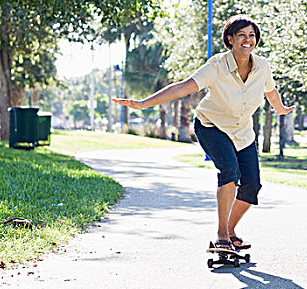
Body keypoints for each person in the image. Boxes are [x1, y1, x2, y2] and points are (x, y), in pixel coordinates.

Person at [113, 15, 295, 250]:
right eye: (241, 35)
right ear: (230, 39)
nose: (247, 40)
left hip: (242, 132)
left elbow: (270, 91)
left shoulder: (262, 67)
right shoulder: (217, 66)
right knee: (229, 170)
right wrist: (142, 103)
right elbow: (182, 87)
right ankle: (221, 236)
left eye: (251, 35)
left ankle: (230, 232)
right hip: (211, 126)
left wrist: (279, 108)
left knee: (252, 184)